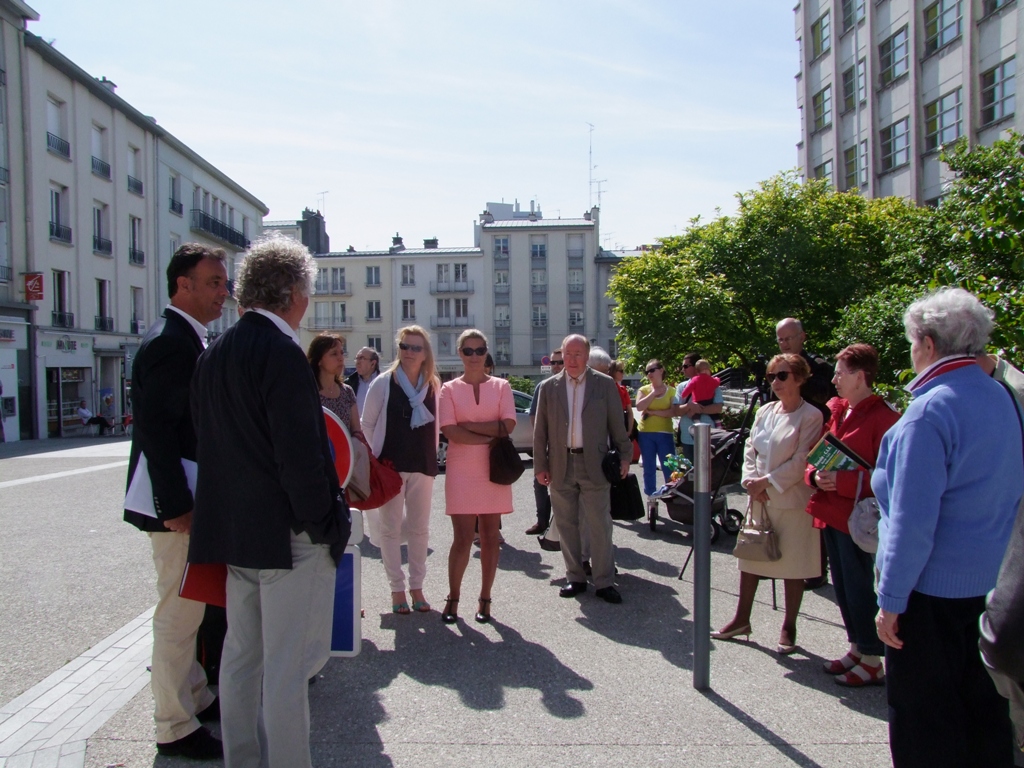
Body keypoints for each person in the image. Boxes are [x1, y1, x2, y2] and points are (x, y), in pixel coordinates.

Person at [188, 234, 351, 768]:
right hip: (289, 536)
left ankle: (243, 761)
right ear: (295, 292)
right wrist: (327, 525)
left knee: (240, 659)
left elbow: (210, 444)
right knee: (287, 668)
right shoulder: (281, 353)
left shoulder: (216, 352)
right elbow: (300, 456)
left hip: (238, 531)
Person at [872, 287, 1022, 768]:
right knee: (985, 721)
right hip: (993, 588)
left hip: (931, 597)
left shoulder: (931, 410)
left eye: (913, 342)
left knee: (926, 729)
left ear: (929, 345)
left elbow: (912, 524)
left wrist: (891, 603)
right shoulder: (1001, 398)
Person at [123, 243, 228, 759]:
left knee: (186, 607)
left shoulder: (182, 338)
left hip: (182, 497)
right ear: (182, 285)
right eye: (213, 282)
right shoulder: (170, 343)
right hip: (175, 504)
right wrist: (176, 505)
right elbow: (158, 433)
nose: (223, 292)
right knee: (178, 614)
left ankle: (194, 695)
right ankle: (173, 724)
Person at [712, 353, 823, 654]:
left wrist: (768, 482)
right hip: (759, 498)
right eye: (771, 376)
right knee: (750, 559)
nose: (775, 382)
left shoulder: (811, 415)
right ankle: (741, 619)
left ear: (799, 377)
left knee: (793, 565)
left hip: (791, 500)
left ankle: (789, 625)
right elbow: (749, 447)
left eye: (782, 375)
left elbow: (803, 458)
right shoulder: (766, 411)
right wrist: (750, 480)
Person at [804, 344, 900, 686]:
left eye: (840, 373)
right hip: (832, 512)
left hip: (859, 520)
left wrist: (841, 481)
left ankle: (873, 657)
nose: (833, 379)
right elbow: (818, 456)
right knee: (844, 587)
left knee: (861, 587)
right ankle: (859, 647)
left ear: (860, 377)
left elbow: (890, 476)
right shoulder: (840, 411)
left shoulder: (885, 418)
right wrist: (814, 476)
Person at [533, 334, 632, 604]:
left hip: (595, 465)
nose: (572, 359)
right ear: (562, 356)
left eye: (578, 354)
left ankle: (603, 581)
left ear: (587, 356)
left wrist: (625, 456)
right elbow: (540, 430)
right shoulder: (549, 387)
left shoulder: (605, 384)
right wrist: (540, 465)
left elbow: (617, 425)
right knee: (566, 525)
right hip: (560, 464)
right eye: (568, 354)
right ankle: (575, 577)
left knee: (600, 525)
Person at [437, 330, 516, 623]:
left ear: (486, 353)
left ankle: (485, 599)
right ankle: (453, 597)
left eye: (479, 350)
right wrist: (488, 435)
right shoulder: (448, 389)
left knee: (490, 538)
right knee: (462, 539)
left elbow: (507, 425)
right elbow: (450, 431)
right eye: (468, 351)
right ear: (459, 353)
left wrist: (469, 425)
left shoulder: (502, 386)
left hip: (494, 471)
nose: (474, 356)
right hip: (462, 471)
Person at [361, 325, 439, 615]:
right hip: (389, 467)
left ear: (425, 353)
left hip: (422, 465)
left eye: (416, 347)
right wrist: (373, 460)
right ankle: (397, 590)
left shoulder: (432, 384)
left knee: (420, 530)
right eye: (405, 346)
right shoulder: (383, 382)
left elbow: (437, 427)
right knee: (390, 531)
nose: (409, 352)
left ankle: (417, 587)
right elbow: (366, 425)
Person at [776, 318, 834, 590]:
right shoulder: (776, 368)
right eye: (780, 339)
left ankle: (816, 568)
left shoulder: (818, 366)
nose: (785, 343)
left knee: (813, 508)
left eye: (789, 338)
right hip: (784, 439)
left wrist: (798, 374)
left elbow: (824, 398)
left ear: (802, 337)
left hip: (814, 438)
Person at [526, 348, 563, 538]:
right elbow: (533, 415)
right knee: (539, 482)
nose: (556, 366)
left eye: (560, 362)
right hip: (547, 443)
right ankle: (542, 522)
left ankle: (561, 523)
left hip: (566, 446)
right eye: (553, 363)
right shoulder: (542, 386)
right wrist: (541, 436)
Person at [635, 359, 677, 516]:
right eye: (647, 372)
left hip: (665, 433)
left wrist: (652, 412)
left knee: (669, 467)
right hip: (646, 434)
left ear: (661, 370)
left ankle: (672, 495)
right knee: (649, 466)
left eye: (652, 370)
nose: (650, 374)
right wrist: (653, 393)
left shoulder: (672, 391)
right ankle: (651, 496)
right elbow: (639, 406)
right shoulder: (644, 390)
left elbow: (673, 412)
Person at [673, 351, 724, 463]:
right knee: (690, 475)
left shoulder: (712, 383)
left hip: (708, 437)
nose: (683, 369)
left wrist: (698, 409)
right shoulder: (682, 386)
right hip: (687, 438)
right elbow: (676, 411)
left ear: (696, 367)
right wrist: (689, 406)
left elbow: (718, 407)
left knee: (709, 475)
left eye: (686, 366)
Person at [308, 333, 361, 436]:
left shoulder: (347, 392)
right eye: (334, 354)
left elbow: (356, 431)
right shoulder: (309, 393)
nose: (340, 358)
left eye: (341, 353)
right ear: (319, 360)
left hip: (345, 451)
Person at [346, 346, 380, 414]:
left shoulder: (385, 382)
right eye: (356, 358)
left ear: (373, 364)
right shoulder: (349, 384)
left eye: (362, 358)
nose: (357, 362)